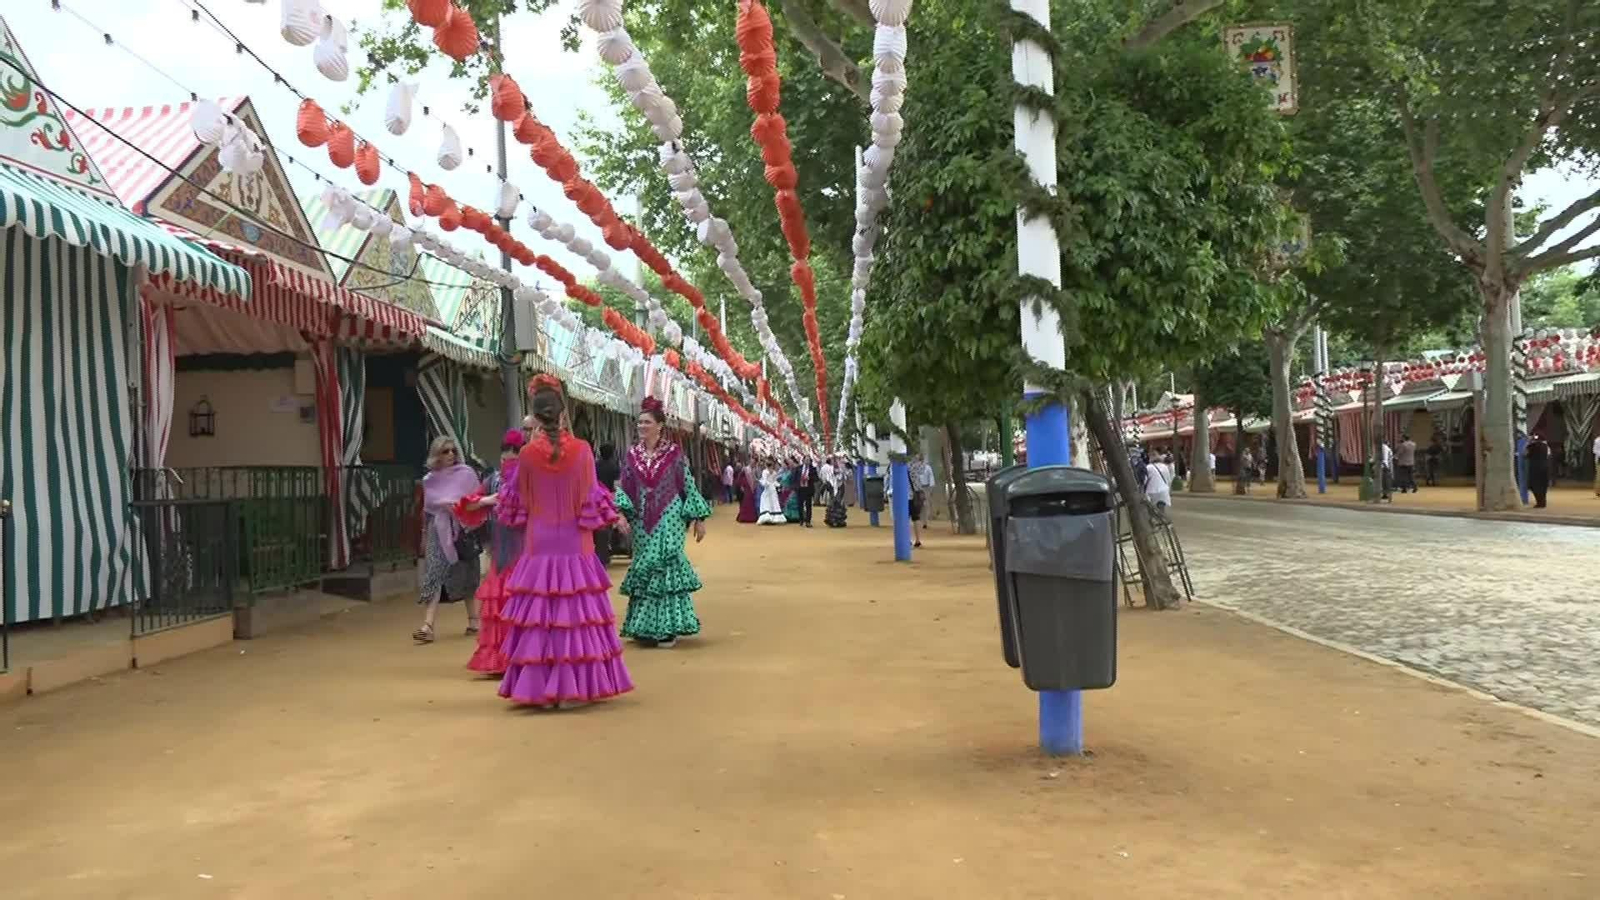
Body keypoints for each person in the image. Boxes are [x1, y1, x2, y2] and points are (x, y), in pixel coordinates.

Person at [497, 375, 632, 708]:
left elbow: (519, 502)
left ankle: (541, 689)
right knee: (575, 614)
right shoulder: (583, 451)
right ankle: (575, 690)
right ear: (563, 411)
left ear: (535, 415)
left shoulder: (526, 456)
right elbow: (591, 498)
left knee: (540, 616)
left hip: (539, 541)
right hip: (575, 542)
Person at [615, 396, 713, 648]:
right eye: (639, 423)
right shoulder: (632, 454)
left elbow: (687, 483)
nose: (641, 426)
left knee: (665, 564)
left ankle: (668, 628)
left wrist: (698, 518)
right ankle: (645, 627)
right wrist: (621, 514)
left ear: (660, 426)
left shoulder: (673, 453)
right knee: (645, 567)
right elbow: (625, 486)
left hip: (670, 515)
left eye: (647, 422)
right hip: (641, 519)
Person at [414, 436, 490, 644]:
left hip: (463, 529)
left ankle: (473, 620)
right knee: (434, 573)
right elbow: (427, 510)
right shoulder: (430, 479)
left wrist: (460, 510)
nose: (450, 455)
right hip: (438, 530)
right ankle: (427, 625)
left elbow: (476, 501)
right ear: (436, 455)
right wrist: (424, 535)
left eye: (453, 451)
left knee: (468, 574)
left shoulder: (466, 474)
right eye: (445, 451)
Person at [467, 429, 527, 675]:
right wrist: (483, 501)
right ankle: (500, 657)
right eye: (503, 459)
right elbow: (470, 503)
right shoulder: (493, 480)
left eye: (512, 460)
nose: (506, 464)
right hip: (501, 550)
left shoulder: (529, 480)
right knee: (499, 604)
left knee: (518, 602)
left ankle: (519, 655)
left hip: (524, 549)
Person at [593, 443, 622, 566]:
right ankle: (605, 552)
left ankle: (598, 553)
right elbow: (617, 485)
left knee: (597, 527)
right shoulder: (614, 467)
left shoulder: (595, 466)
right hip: (609, 498)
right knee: (608, 525)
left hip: (595, 497)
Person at [909, 453, 934, 548]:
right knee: (916, 517)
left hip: (907, 495)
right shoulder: (917, 467)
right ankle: (917, 539)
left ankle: (908, 540)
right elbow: (922, 469)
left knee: (905, 518)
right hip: (916, 494)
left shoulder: (906, 466)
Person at [1144, 451, 1174, 517]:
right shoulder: (1164, 466)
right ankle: (1162, 522)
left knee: (1151, 509)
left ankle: (1153, 521)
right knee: (1161, 509)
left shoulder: (1148, 467)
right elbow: (1168, 479)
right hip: (1163, 490)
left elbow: (1145, 480)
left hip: (1152, 491)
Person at [1526, 432, 1551, 508]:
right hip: (1545, 467)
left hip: (1535, 468)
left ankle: (1539, 502)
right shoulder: (1546, 446)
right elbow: (1549, 455)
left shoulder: (1531, 446)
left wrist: (1528, 442)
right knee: (1543, 486)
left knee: (1535, 486)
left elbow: (1525, 454)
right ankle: (1543, 502)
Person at [794, 457, 818, 528]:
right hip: (800, 489)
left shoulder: (813, 469)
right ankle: (801, 519)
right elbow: (795, 478)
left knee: (808, 506)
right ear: (803, 460)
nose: (807, 461)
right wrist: (795, 487)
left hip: (808, 489)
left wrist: (810, 478)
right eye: (806, 460)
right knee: (800, 505)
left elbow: (816, 478)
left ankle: (808, 521)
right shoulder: (799, 468)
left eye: (809, 460)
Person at [735, 459, 759, 523]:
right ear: (750, 462)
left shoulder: (754, 470)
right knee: (746, 502)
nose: (753, 464)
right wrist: (741, 486)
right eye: (752, 463)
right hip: (746, 487)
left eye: (754, 463)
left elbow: (756, 478)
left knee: (752, 502)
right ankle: (744, 517)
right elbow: (740, 477)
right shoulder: (745, 469)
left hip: (752, 488)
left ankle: (752, 517)